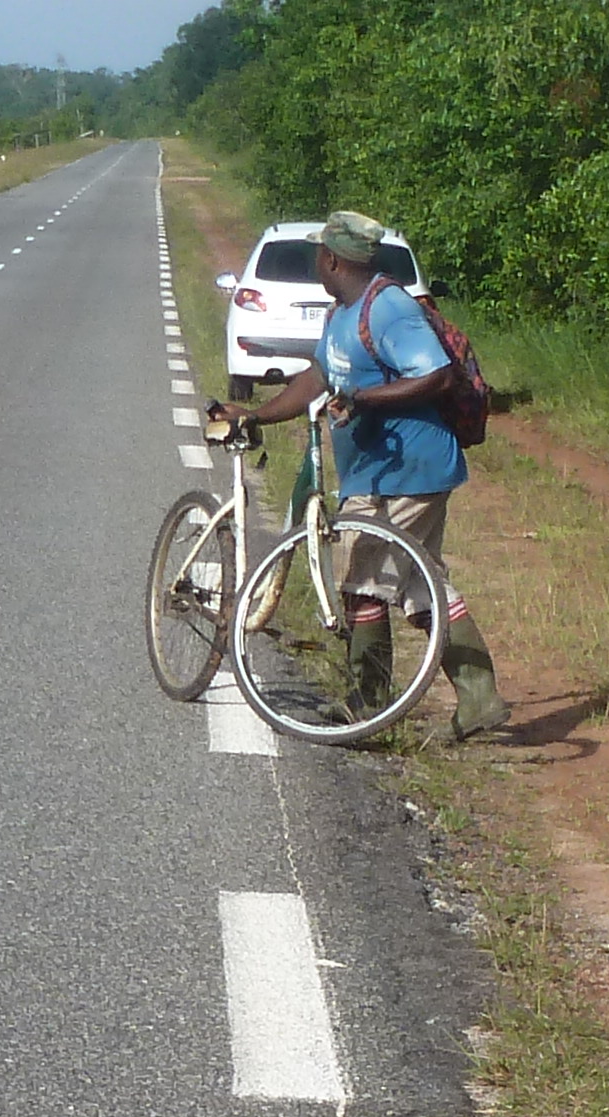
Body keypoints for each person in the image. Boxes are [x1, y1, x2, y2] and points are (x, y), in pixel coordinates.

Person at [227, 209, 503, 741]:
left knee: (386, 575)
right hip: (373, 470)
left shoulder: (389, 309)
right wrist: (256, 415)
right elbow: (317, 379)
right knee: (383, 578)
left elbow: (437, 376)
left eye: (318, 256)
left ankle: (411, 700)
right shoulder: (341, 314)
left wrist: (363, 398)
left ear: (331, 259)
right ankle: (397, 700)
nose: (316, 264)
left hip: (413, 467)